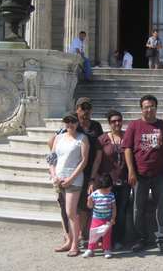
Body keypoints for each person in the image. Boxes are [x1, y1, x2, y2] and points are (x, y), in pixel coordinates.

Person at [122, 94, 163, 254]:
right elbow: (127, 149)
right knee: (138, 208)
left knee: (161, 208)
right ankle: (140, 239)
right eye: (146, 107)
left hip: (161, 174)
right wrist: (131, 171)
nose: (149, 109)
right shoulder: (134, 126)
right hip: (140, 174)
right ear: (141, 109)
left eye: (152, 106)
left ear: (156, 108)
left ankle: (162, 240)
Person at [48, 97, 104, 247]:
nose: (86, 111)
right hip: (68, 171)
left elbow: (99, 148)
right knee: (66, 205)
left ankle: (79, 235)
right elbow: (52, 142)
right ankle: (69, 236)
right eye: (83, 107)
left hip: (87, 170)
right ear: (77, 108)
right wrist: (61, 160)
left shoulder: (96, 126)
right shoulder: (69, 125)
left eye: (88, 108)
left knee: (84, 205)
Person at [49, 111, 90, 257]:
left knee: (71, 212)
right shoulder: (58, 138)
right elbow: (51, 158)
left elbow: (83, 161)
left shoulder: (82, 139)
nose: (70, 124)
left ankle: (75, 244)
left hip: (74, 178)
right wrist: (53, 175)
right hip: (58, 178)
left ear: (77, 123)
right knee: (63, 211)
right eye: (67, 121)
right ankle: (68, 239)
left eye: (73, 121)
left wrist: (71, 178)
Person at [89, 110, 131, 250]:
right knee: (105, 210)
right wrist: (91, 179)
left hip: (125, 180)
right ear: (109, 123)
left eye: (119, 120)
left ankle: (118, 239)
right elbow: (97, 161)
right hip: (108, 183)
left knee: (121, 211)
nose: (117, 123)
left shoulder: (128, 136)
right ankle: (104, 238)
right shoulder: (103, 139)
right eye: (113, 121)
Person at [83, 173, 116, 259]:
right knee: (93, 234)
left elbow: (113, 207)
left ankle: (107, 249)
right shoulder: (94, 194)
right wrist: (89, 200)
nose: (107, 192)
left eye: (109, 189)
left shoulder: (111, 195)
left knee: (107, 235)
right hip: (96, 219)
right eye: (105, 190)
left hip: (107, 219)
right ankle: (91, 249)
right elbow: (90, 206)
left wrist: (113, 218)